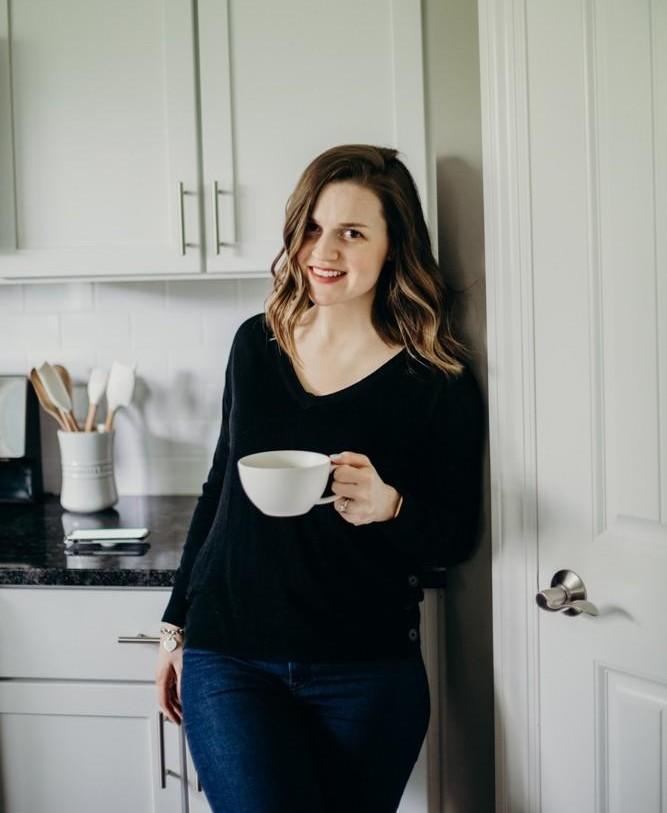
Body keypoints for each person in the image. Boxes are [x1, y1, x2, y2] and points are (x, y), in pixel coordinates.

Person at [155, 144, 485, 813]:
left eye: (352, 232)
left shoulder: (434, 378)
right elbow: (220, 492)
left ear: (393, 246)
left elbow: (455, 536)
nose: (323, 250)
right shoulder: (256, 344)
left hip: (367, 671)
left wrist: (391, 506)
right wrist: (174, 627)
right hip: (231, 657)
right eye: (312, 227)